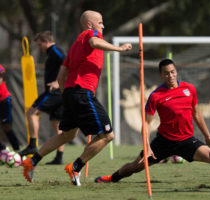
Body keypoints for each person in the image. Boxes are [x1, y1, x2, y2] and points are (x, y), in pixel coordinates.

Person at [94, 59, 210, 184]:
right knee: (135, 167)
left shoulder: (189, 89)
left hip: (187, 141)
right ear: (161, 75)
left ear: (176, 71)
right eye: (166, 73)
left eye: (172, 72)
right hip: (163, 142)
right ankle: (111, 178)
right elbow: (147, 123)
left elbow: (197, 115)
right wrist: (147, 146)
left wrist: (207, 136)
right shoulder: (156, 96)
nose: (170, 76)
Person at [21, 10, 132, 186]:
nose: (103, 26)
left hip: (70, 93)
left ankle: (31, 161)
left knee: (68, 134)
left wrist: (67, 94)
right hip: (82, 92)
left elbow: (61, 76)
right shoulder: (91, 34)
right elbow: (95, 41)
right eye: (100, 22)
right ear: (90, 24)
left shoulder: (74, 46)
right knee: (107, 135)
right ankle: (76, 166)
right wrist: (119, 49)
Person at [19, 31, 66, 165]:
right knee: (57, 125)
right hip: (58, 93)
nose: (40, 48)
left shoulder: (55, 50)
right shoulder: (52, 52)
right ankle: (59, 157)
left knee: (31, 112)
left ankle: (33, 145)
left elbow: (67, 62)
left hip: (54, 93)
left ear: (46, 41)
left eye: (40, 45)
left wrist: (58, 82)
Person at [0, 65, 20, 151]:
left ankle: (17, 150)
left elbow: (3, 75)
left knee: (6, 127)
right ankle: (2, 149)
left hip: (4, 100)